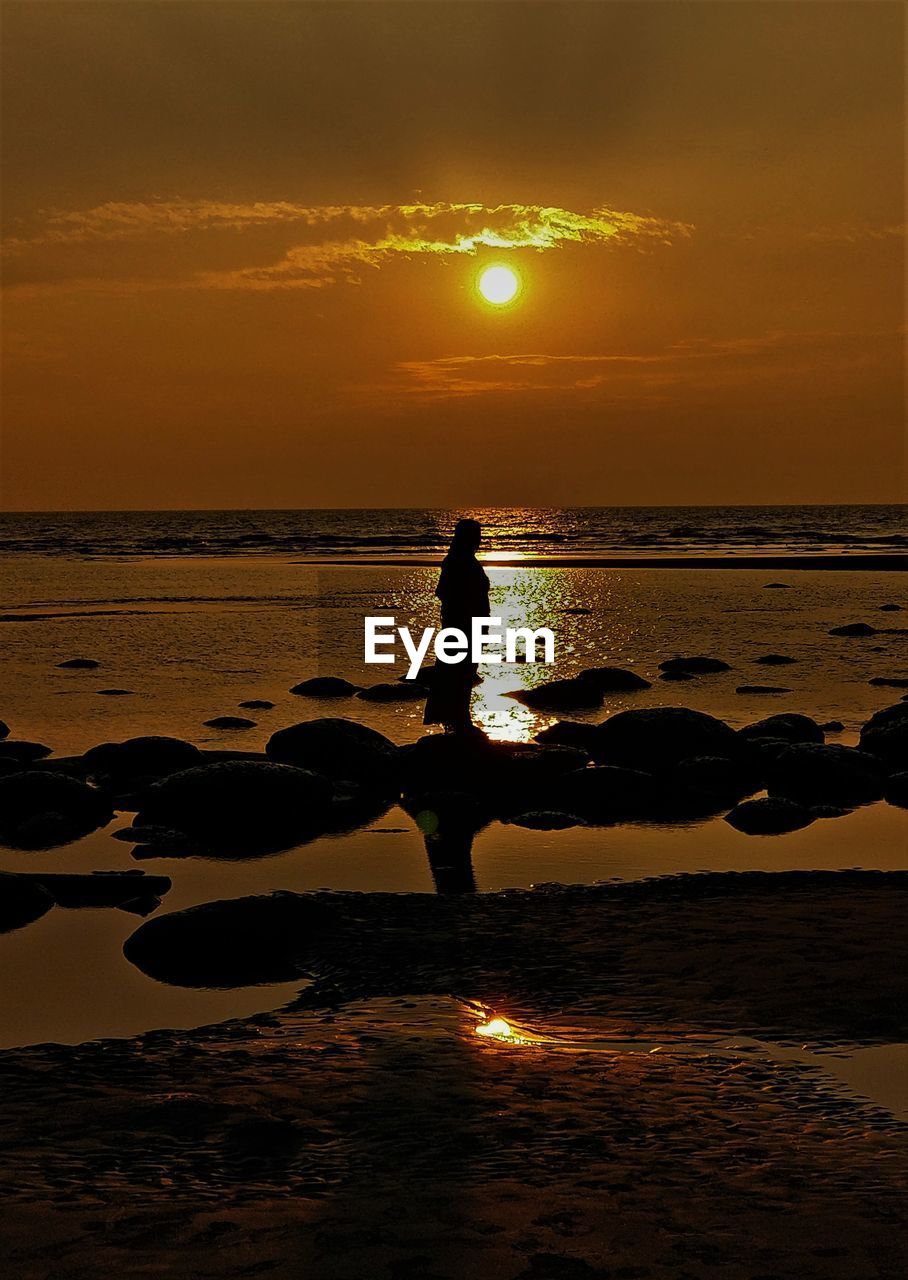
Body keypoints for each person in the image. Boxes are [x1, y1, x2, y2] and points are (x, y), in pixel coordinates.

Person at [423, 518, 490, 733]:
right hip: (461, 625)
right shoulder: (456, 561)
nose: (479, 540)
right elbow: (443, 592)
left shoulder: (465, 559)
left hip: (469, 624)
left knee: (463, 671)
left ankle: (458, 717)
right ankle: (456, 718)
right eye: (476, 535)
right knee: (458, 671)